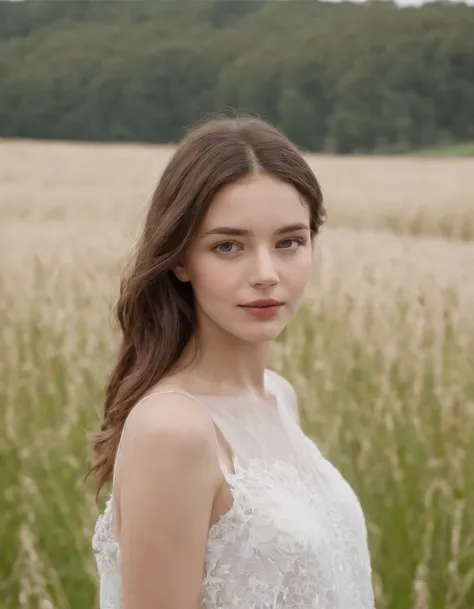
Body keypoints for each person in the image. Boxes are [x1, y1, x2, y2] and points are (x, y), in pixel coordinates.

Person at [89, 115, 375, 609]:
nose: (266, 274)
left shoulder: (279, 395)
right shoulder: (171, 430)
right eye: (228, 246)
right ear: (180, 260)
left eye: (290, 242)